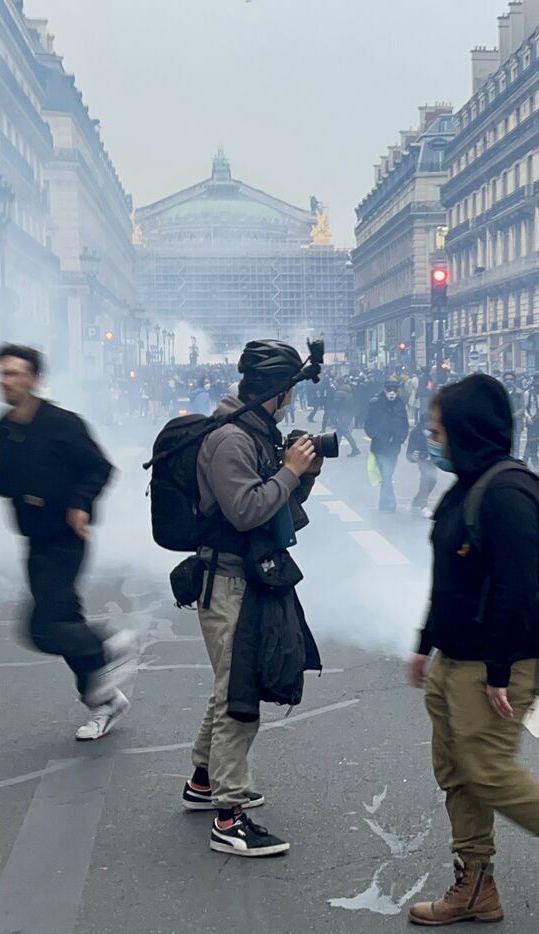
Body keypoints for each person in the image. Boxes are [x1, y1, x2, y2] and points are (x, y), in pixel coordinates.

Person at [406, 374, 539, 924]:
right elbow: (449, 577)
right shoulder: (465, 486)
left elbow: (518, 590)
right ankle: (475, 885)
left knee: (487, 771)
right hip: (454, 657)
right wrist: (425, 644)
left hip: (493, 664)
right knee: (457, 773)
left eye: (438, 430)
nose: (432, 439)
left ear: (467, 430)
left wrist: (500, 671)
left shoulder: (507, 492)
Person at [0, 344, 131, 742]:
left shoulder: (62, 423)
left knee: (43, 628)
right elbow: (2, 480)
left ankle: (109, 644)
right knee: (64, 622)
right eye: (2, 373)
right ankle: (105, 702)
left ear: (35, 379)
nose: (6, 381)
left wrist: (79, 504)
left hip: (67, 539)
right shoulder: (1, 428)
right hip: (35, 540)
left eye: (15, 373)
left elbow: (100, 468)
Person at [185, 339, 322, 857]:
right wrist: (289, 470)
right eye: (291, 393)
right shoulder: (231, 439)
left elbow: (276, 508)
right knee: (237, 697)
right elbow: (246, 511)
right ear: (280, 392)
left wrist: (301, 476)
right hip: (228, 581)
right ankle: (229, 816)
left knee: (229, 686)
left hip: (246, 576)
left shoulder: (254, 431)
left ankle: (203, 782)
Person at [365, 378, 410, 514]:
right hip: (380, 446)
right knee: (386, 474)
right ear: (384, 390)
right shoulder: (376, 403)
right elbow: (368, 425)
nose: (392, 393)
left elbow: (405, 424)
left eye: (394, 390)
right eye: (389, 390)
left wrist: (401, 438)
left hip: (394, 447)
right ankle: (390, 504)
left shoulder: (400, 404)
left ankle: (383, 504)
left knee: (387, 476)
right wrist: (377, 436)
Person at [406, 410, 437, 518]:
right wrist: (413, 456)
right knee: (426, 478)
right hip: (421, 458)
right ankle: (423, 506)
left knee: (433, 480)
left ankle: (415, 503)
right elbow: (410, 451)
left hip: (432, 458)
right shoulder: (416, 433)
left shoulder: (436, 432)